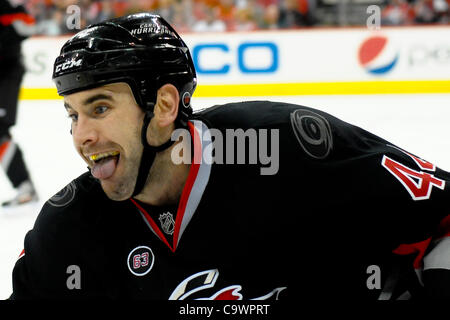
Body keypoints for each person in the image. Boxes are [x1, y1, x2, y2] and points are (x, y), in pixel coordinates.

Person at [8, 13, 450, 300]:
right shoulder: (69, 228)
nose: (82, 135)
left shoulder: (285, 147)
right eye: (72, 114)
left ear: (163, 106)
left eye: (100, 108)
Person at [0, 0, 38, 207]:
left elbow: (28, 26)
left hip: (6, 74)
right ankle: (25, 187)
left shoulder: (8, 7)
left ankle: (25, 186)